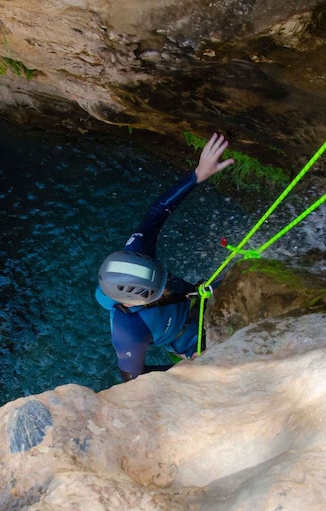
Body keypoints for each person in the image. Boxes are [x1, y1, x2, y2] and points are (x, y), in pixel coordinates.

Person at [95, 133, 234, 381]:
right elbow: (132, 379)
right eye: (159, 290)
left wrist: (197, 175)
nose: (166, 285)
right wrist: (186, 369)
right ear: (131, 303)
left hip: (200, 296)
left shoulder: (138, 251)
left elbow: (157, 212)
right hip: (190, 344)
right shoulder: (129, 332)